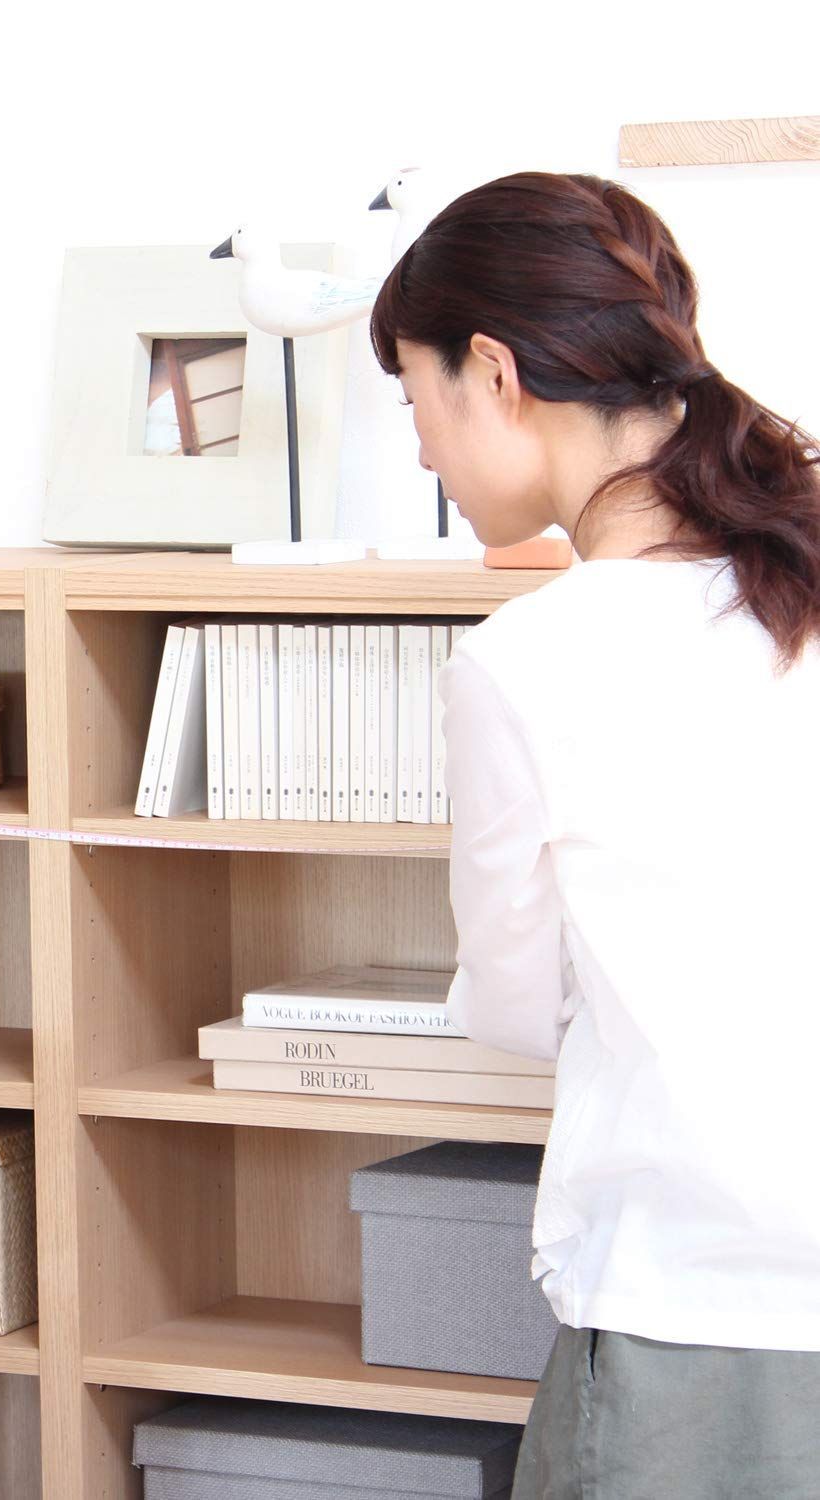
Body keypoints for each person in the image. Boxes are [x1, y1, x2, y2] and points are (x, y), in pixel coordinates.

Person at [370, 172, 820, 1498]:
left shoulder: (533, 661)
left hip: (697, 1315)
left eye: (418, 400)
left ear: (493, 372)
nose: (421, 452)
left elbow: (513, 1008)